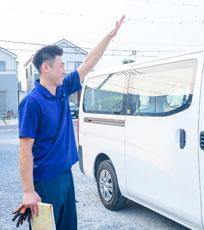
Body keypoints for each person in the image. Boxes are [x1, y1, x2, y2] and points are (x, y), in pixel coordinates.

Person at [18, 15, 125, 229]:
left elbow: (88, 63)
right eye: (61, 66)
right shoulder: (32, 102)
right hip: (46, 181)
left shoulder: (62, 89)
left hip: (65, 174)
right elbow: (25, 149)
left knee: (68, 225)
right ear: (45, 69)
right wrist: (29, 190)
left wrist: (109, 36)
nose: (65, 70)